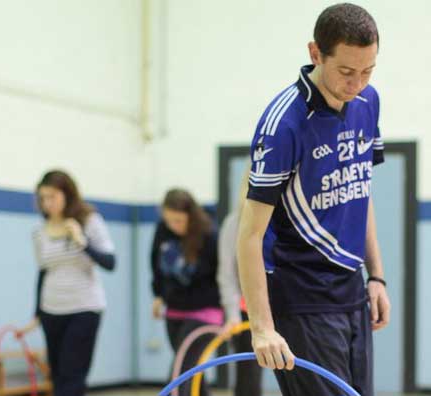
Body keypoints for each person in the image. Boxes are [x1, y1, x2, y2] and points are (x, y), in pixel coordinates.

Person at [235, 3, 390, 395]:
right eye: (346, 71)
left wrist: (376, 276)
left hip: (352, 292)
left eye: (368, 70)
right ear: (315, 53)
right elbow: (249, 234)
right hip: (300, 297)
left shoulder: (368, 103)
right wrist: (262, 328)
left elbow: (360, 190)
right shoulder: (284, 124)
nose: (357, 83)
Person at [15, 170, 115, 396]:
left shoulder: (89, 221)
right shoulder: (39, 233)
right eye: (43, 198)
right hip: (52, 309)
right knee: (58, 375)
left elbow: (110, 262)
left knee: (73, 375)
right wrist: (36, 315)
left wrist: (83, 241)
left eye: (53, 196)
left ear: (67, 194)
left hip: (84, 308)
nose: (47, 203)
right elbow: (43, 273)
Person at [152, 188, 221, 396]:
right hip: (174, 310)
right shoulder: (162, 231)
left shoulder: (209, 234)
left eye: (180, 221)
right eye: (170, 220)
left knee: (180, 373)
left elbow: (223, 273)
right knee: (192, 372)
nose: (175, 226)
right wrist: (158, 295)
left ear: (191, 216)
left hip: (205, 312)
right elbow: (155, 266)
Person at [217, 173, 262, 396]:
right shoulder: (234, 223)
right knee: (248, 376)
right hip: (247, 311)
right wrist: (232, 313)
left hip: (286, 307)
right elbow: (226, 275)